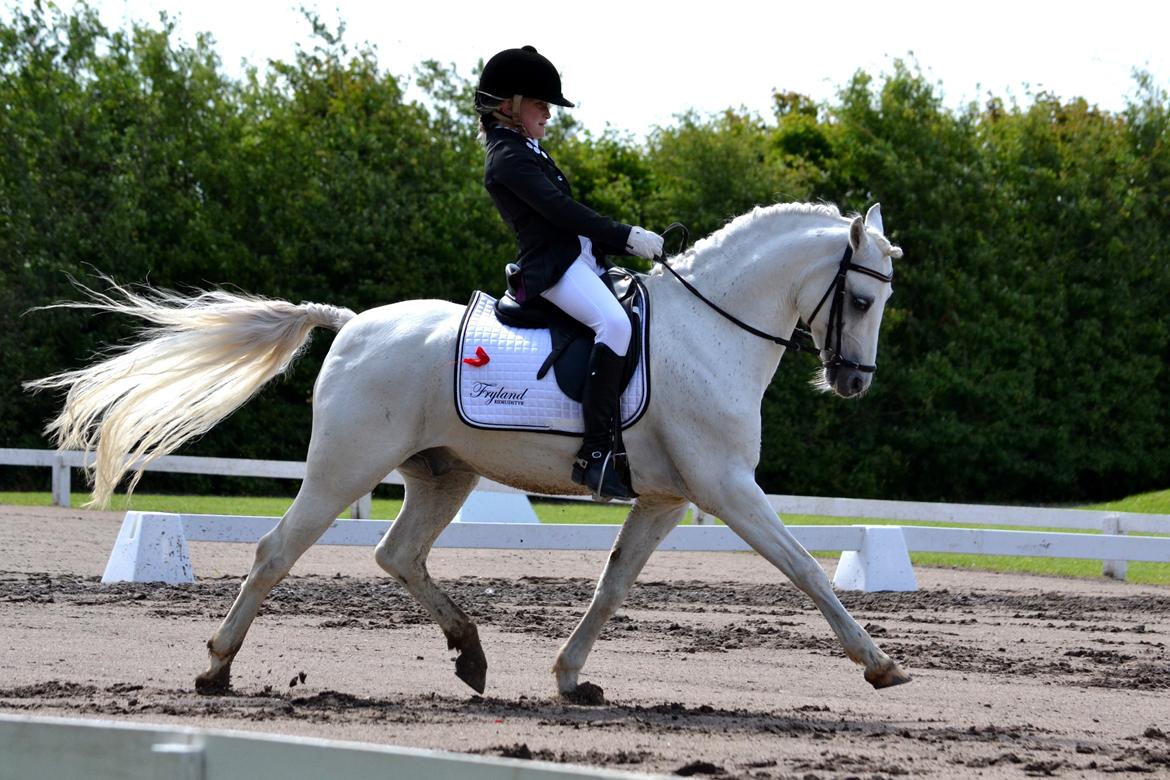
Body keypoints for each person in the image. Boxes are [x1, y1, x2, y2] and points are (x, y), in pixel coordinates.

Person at [476, 45, 663, 501]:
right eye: (541, 104)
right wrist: (626, 236)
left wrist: (611, 248)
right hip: (553, 271)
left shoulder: (529, 149)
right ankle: (596, 456)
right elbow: (560, 212)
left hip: (580, 263)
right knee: (614, 324)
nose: (548, 113)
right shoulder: (508, 157)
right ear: (509, 107)